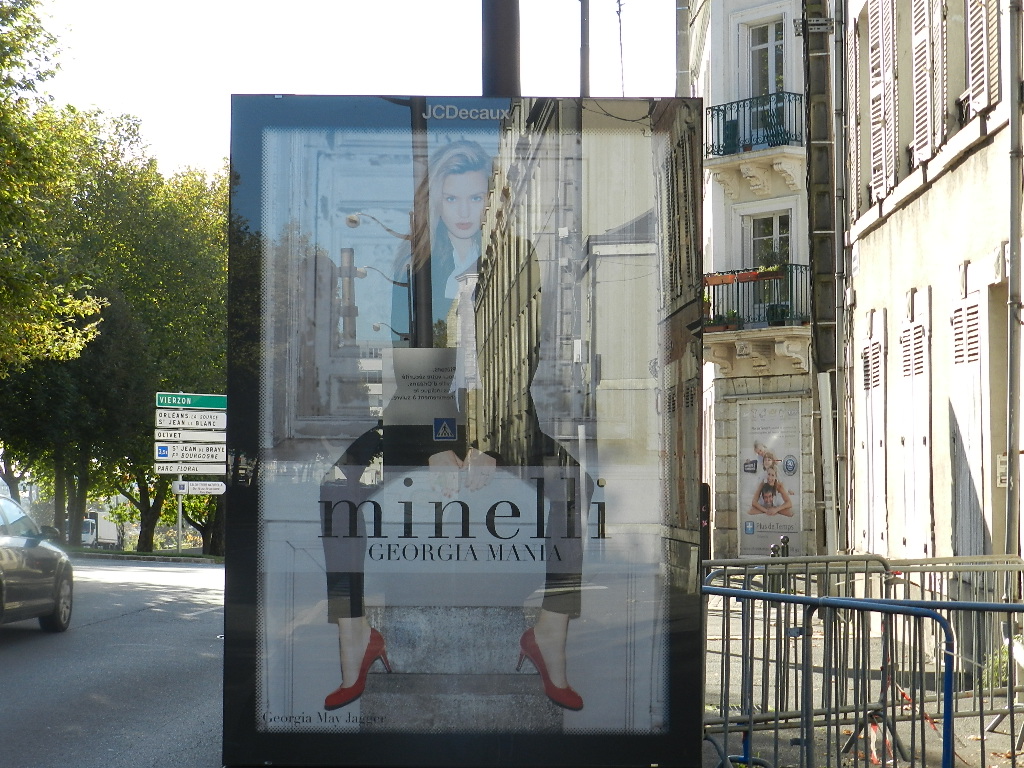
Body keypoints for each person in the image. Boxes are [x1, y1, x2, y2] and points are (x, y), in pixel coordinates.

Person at [323, 138, 585, 713]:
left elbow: (522, 361)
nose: (465, 211)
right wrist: (438, 446)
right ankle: (355, 634)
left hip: (500, 410)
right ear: (436, 202)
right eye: (452, 198)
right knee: (338, 482)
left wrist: (489, 441)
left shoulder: (518, 258)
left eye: (476, 197)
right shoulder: (414, 264)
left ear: (494, 201)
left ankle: (550, 632)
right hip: (422, 414)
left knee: (571, 480)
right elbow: (411, 365)